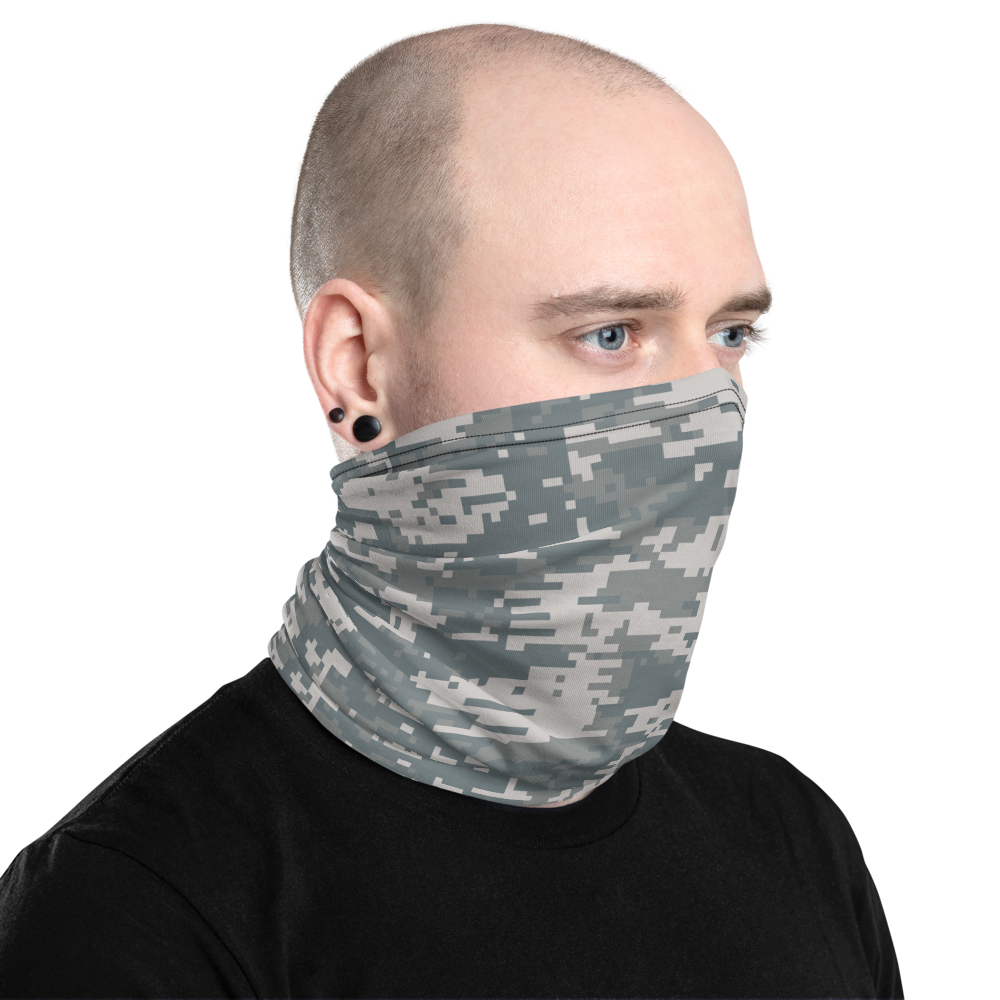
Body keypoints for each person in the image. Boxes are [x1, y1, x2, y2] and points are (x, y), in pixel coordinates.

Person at [0, 21, 903, 998]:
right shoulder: (136, 908)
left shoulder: (786, 828)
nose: (707, 417)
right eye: (610, 333)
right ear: (358, 367)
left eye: (728, 333)